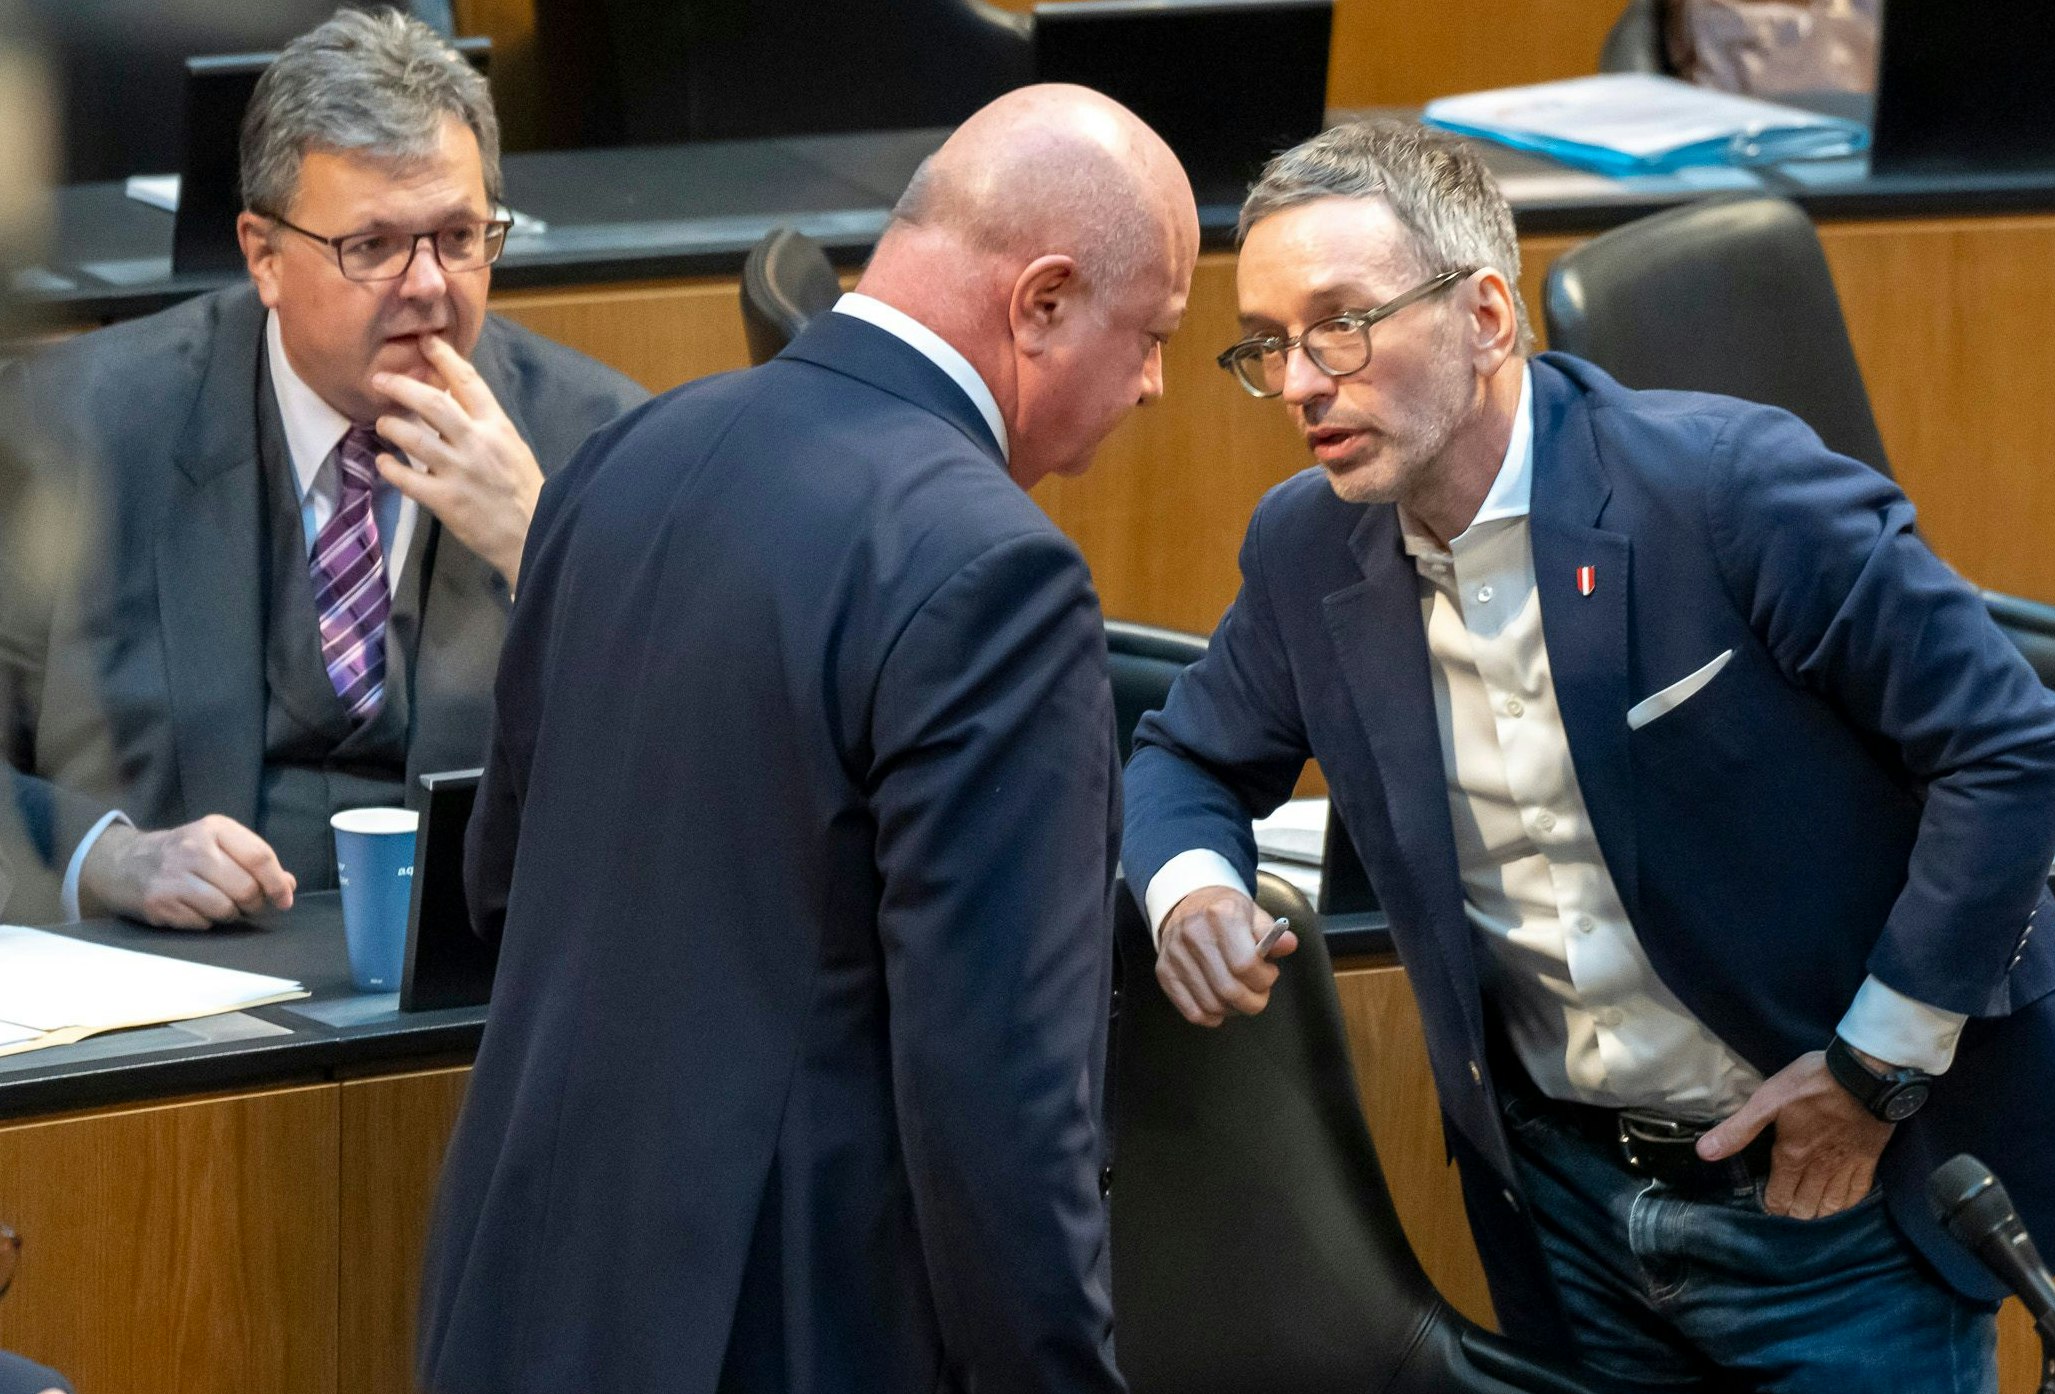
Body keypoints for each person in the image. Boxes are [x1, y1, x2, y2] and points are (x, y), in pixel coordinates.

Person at [1123, 122, 2055, 1394]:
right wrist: (1189, 885)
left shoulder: (1726, 489)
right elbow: (1185, 749)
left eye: (1340, 324)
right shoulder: (1309, 549)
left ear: (1486, 317)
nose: (1298, 381)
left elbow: (2009, 745)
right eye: (1268, 343)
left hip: (1822, 1201)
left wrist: (1873, 1067)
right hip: (1565, 1207)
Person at [418, 85, 1197, 1394]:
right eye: (1154, 332)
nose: (1158, 385)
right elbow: (996, 1111)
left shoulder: (627, 459)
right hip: (786, 1330)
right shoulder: (992, 575)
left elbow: (500, 882)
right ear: (1043, 300)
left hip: (517, 1301)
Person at [0, 8, 645, 928]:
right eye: (373, 246)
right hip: (171, 989)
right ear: (263, 255)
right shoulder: (80, 425)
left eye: (459, 238)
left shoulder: (597, 438)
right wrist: (107, 855)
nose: (427, 284)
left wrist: (538, 545)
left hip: (483, 985)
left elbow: (703, 760)